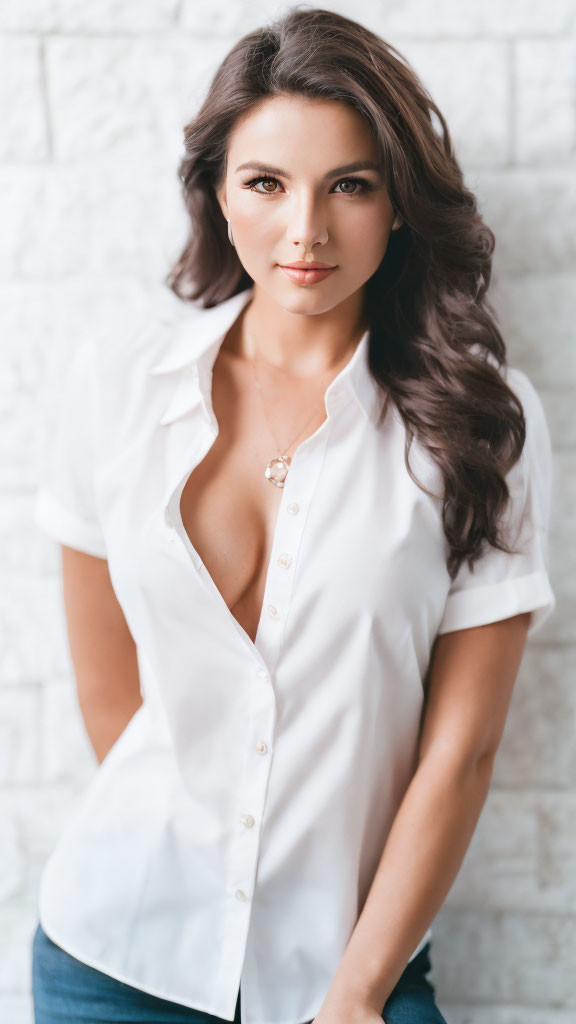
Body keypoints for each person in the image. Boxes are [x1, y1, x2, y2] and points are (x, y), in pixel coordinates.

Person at [31, 7, 556, 1024]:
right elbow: (109, 696)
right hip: (117, 950)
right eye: (266, 183)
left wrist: (355, 994)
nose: (305, 230)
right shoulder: (119, 384)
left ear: (399, 201)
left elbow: (463, 751)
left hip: (350, 968)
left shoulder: (482, 422)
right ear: (219, 194)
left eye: (349, 185)